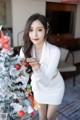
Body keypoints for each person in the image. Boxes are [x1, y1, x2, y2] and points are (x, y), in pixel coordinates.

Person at [20, 13, 65, 120]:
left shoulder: (54, 51)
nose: (35, 34)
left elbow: (46, 81)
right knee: (42, 117)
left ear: (46, 30)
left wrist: (36, 68)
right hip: (39, 88)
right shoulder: (24, 50)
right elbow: (24, 76)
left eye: (39, 30)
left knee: (50, 117)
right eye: (31, 30)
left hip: (55, 87)